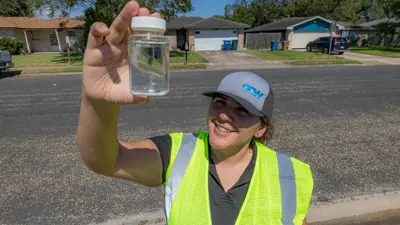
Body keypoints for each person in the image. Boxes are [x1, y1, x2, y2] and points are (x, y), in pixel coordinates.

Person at [77, 1, 314, 225]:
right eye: (220, 102)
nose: (224, 115)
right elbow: (106, 161)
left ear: (261, 128)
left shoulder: (291, 175)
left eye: (242, 110)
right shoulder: (179, 153)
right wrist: (97, 101)